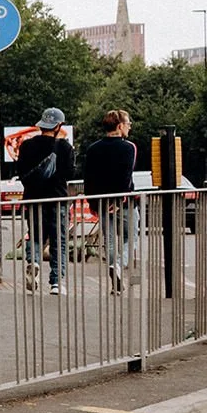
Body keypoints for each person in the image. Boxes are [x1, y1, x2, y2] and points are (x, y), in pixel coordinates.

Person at [15, 108, 77, 294]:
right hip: (57, 199)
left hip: (33, 198)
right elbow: (70, 174)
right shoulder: (65, 148)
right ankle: (56, 282)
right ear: (58, 126)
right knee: (59, 240)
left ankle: (33, 261)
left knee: (34, 235)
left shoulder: (26, 146)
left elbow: (21, 173)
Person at [84, 109, 138, 295]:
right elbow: (126, 175)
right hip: (124, 202)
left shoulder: (93, 149)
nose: (129, 126)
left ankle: (115, 279)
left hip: (101, 202)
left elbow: (88, 178)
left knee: (110, 242)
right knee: (131, 238)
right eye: (128, 123)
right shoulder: (129, 147)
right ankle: (119, 265)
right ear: (120, 125)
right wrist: (120, 197)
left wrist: (92, 203)